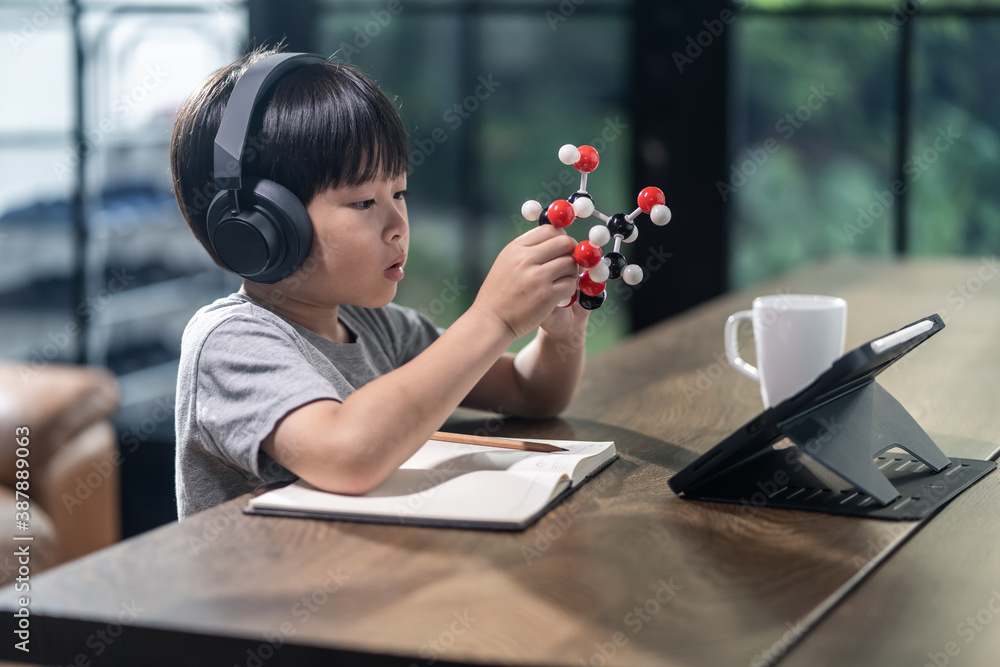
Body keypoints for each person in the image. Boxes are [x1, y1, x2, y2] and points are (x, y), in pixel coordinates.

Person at [169, 47, 590, 519]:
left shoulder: (384, 330)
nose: (398, 225)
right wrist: (493, 318)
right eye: (364, 202)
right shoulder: (231, 343)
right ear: (260, 225)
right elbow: (348, 456)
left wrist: (561, 334)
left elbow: (531, 394)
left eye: (399, 192)